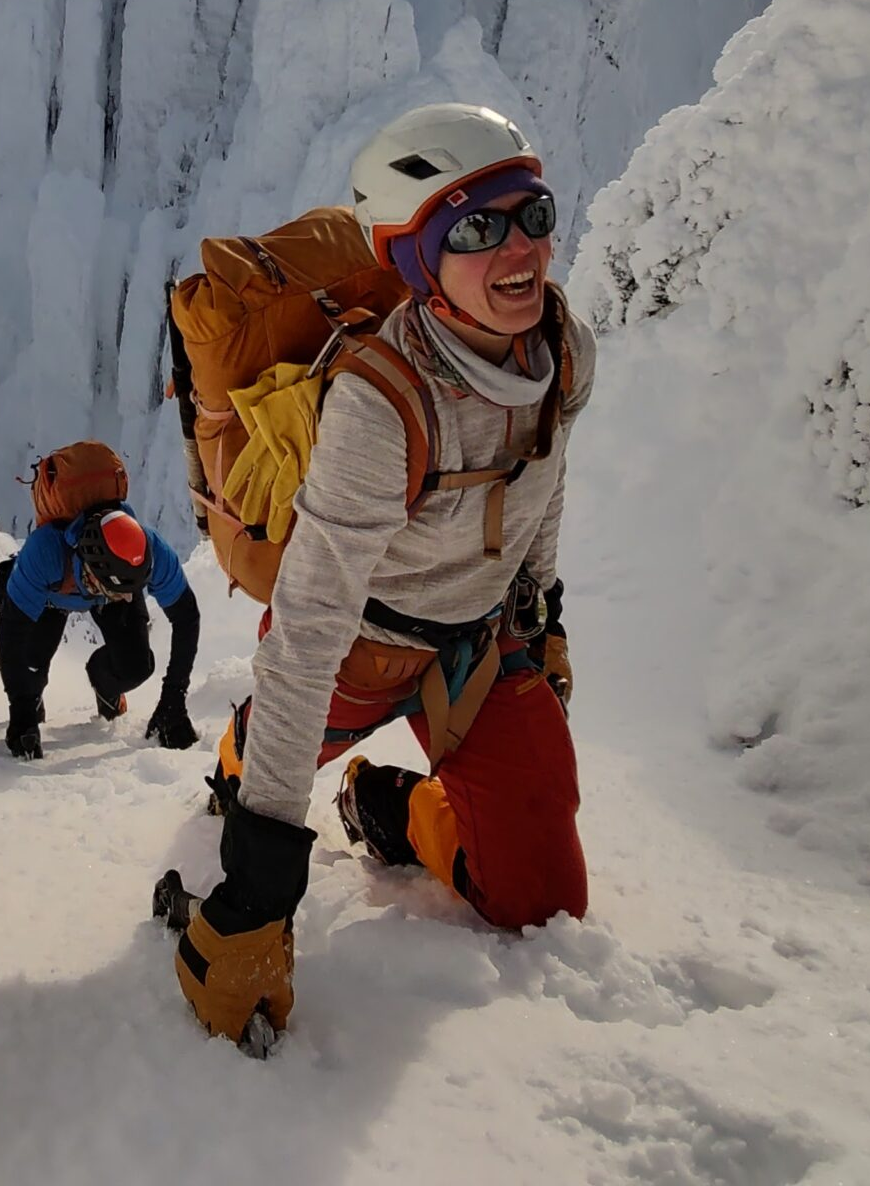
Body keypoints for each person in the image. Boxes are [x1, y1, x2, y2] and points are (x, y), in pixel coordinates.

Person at [172, 103, 595, 1046]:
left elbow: (542, 482)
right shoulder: (379, 404)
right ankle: (250, 754)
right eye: (475, 230)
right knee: (263, 773)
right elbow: (312, 624)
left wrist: (544, 609)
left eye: (531, 213)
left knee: (540, 899)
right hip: (358, 650)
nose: (518, 248)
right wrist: (258, 884)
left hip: (481, 647)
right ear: (415, 259)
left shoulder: (565, 348)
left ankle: (386, 804)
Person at [0, 444, 203, 759]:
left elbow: (186, 617)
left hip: (84, 584)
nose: (129, 598)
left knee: (135, 666)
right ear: (93, 574)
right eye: (121, 591)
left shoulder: (150, 551)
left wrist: (174, 698)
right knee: (30, 670)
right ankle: (33, 698)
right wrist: (20, 709)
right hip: (52, 594)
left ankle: (103, 683)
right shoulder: (46, 553)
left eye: (135, 588)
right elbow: (11, 627)